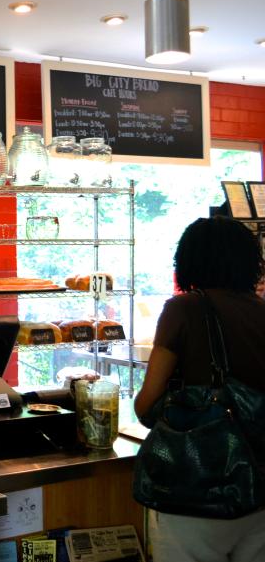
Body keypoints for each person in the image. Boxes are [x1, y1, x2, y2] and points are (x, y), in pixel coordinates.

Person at [134, 216, 265, 562]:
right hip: (258, 493)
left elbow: (146, 405)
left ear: (188, 260)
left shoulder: (184, 309)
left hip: (195, 495)